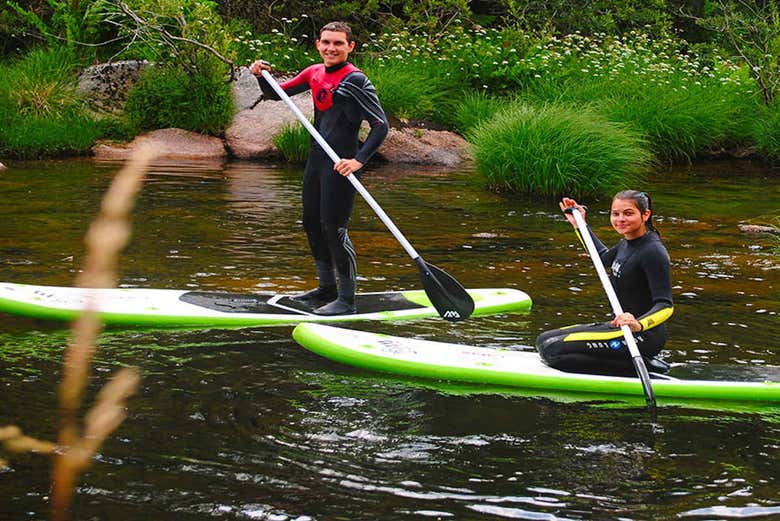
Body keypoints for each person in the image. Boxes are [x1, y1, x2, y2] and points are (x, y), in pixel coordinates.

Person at [249, 21, 388, 315]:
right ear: (318, 44)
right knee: (311, 223)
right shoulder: (314, 72)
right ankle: (326, 288)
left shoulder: (356, 80)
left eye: (338, 43)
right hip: (316, 160)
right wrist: (262, 76)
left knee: (334, 228)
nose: (331, 48)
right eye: (326, 42)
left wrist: (358, 161)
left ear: (350, 47)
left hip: (342, 163)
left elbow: (379, 125)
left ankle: (347, 300)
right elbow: (277, 93)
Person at [535, 190, 674, 375]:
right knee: (543, 340)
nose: (620, 219)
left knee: (554, 350)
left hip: (642, 336)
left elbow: (666, 305)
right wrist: (580, 225)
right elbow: (601, 259)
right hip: (619, 328)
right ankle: (623, 362)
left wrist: (638, 324)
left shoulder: (653, 251)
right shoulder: (627, 243)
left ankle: (643, 367)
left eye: (628, 213)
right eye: (615, 214)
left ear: (645, 215)